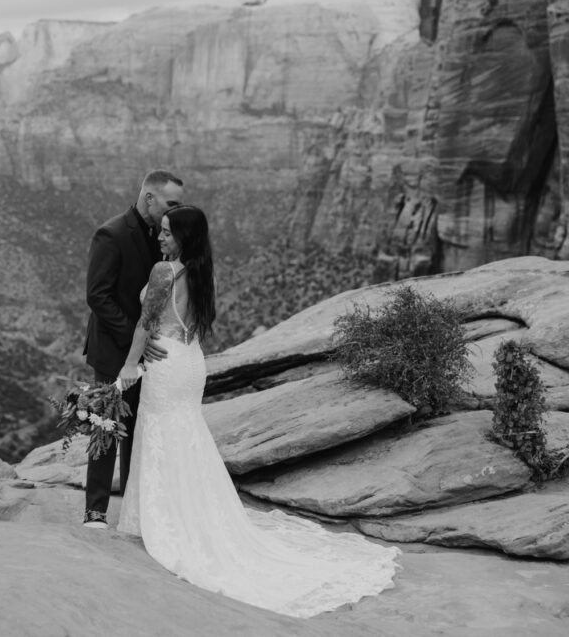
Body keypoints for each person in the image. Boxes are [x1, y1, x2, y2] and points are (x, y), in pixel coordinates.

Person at [115, 205, 400, 618]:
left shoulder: (164, 272)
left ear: (183, 238)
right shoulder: (199, 269)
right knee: (184, 435)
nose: (159, 238)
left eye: (166, 233)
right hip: (190, 359)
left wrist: (128, 367)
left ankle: (166, 521)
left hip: (166, 365)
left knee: (162, 434)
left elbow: (145, 323)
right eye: (159, 232)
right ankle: (188, 515)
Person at [82, 169, 184, 529]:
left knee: (139, 430)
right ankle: (94, 511)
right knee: (107, 427)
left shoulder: (167, 236)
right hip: (114, 349)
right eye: (172, 202)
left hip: (152, 353)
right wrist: (136, 341)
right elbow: (98, 295)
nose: (177, 208)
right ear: (149, 198)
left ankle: (131, 508)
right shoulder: (111, 233)